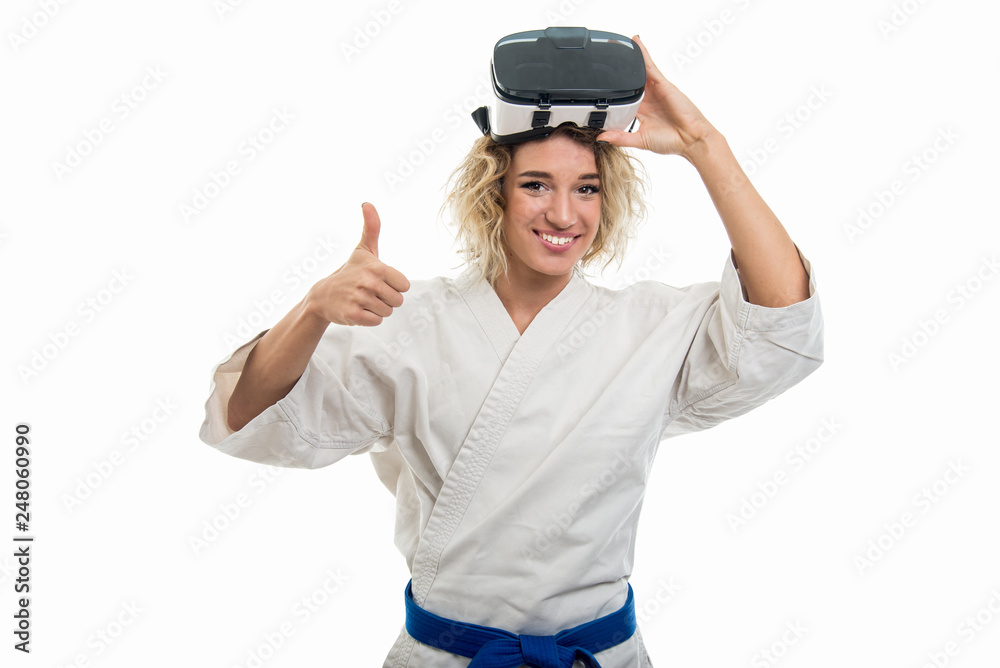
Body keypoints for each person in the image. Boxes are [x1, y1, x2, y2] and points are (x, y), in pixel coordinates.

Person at [199, 35, 823, 668]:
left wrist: (702, 147)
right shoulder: (409, 320)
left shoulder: (647, 328)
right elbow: (250, 417)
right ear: (494, 192)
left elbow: (779, 325)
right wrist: (311, 309)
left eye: (586, 188)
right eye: (535, 184)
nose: (562, 212)